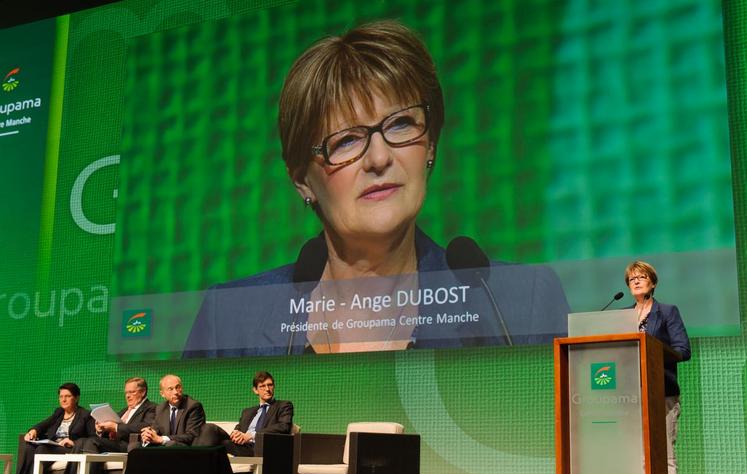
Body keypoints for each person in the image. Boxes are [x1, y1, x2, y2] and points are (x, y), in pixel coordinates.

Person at [184, 20, 569, 357]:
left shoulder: (520, 303)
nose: (380, 158)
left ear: (430, 145)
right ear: (302, 179)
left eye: (400, 124)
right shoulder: (230, 318)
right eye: (347, 140)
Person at [625, 260, 691, 474]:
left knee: (664, 457)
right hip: (630, 395)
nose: (636, 281)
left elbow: (683, 350)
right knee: (638, 457)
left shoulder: (667, 312)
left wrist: (651, 349)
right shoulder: (621, 316)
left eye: (641, 277)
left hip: (662, 392)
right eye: (632, 279)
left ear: (652, 283)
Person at [49, 377, 156, 474]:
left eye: (132, 392)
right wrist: (101, 429)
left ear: (143, 392)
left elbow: (144, 426)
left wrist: (115, 427)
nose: (128, 396)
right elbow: (111, 429)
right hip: (114, 443)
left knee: (90, 442)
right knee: (82, 442)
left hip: (129, 445)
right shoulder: (124, 411)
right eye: (126, 392)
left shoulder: (152, 408)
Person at [5, 383, 95, 474]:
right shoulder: (59, 412)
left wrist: (73, 442)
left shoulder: (85, 414)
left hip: (69, 449)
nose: (63, 399)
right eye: (61, 396)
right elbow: (44, 424)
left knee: (41, 449)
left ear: (77, 398)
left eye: (67, 396)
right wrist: (33, 430)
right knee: (30, 446)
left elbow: (91, 437)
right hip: (54, 446)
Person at [140, 375, 205, 446]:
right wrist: (149, 434)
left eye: (178, 387)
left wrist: (162, 439)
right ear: (162, 394)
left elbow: (192, 435)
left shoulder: (193, 406)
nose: (175, 392)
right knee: (135, 445)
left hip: (185, 448)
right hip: (166, 446)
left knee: (170, 444)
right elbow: (156, 429)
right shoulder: (160, 408)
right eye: (170, 389)